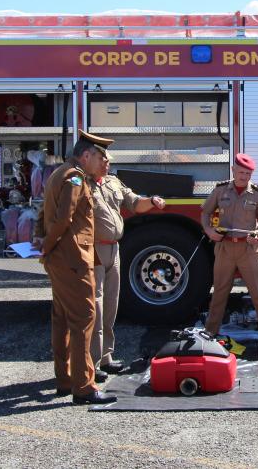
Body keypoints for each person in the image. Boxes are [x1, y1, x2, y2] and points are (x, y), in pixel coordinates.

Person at [33, 130, 116, 405]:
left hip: (60, 259)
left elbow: (44, 212)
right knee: (83, 318)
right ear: (86, 155)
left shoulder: (58, 174)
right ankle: (84, 387)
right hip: (72, 259)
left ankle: (65, 379)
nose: (103, 163)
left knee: (62, 320)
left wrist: (41, 238)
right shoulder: (76, 177)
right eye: (100, 157)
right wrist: (47, 243)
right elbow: (63, 218)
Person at [89, 152, 166, 375]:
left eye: (109, 161)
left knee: (111, 304)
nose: (107, 164)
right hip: (94, 248)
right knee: (96, 305)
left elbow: (134, 203)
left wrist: (151, 201)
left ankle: (105, 357)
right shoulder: (80, 184)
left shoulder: (113, 182)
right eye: (103, 161)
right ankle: (91, 364)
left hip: (114, 249)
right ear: (91, 159)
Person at [200, 153, 258, 351]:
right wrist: (209, 231)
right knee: (219, 293)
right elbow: (205, 212)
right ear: (233, 170)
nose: (244, 176)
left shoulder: (257, 194)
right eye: (241, 172)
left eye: (248, 173)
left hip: (248, 249)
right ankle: (209, 335)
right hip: (225, 249)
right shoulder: (220, 191)